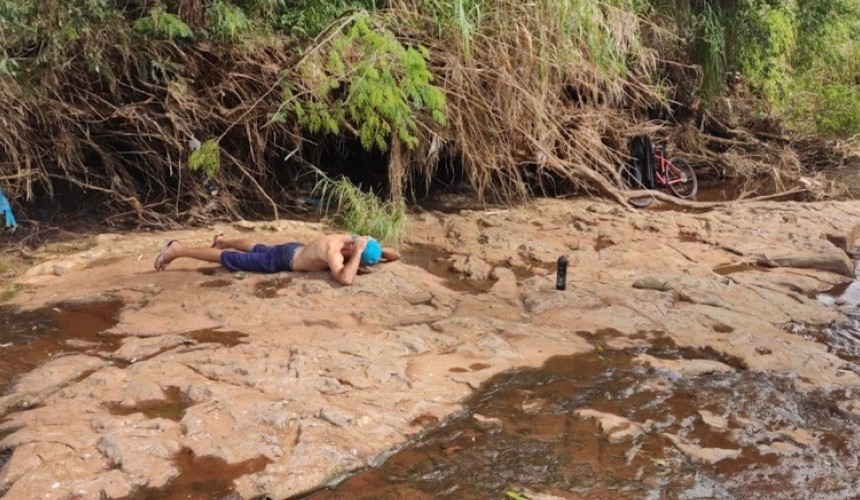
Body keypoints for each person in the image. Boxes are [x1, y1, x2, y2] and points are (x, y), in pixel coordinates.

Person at [153, 233, 400, 286]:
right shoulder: (334, 251)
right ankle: (178, 250)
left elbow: (394, 254)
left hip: (292, 249)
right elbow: (345, 279)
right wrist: (358, 255)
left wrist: (369, 247)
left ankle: (224, 238)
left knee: (260, 248)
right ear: (350, 252)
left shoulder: (352, 239)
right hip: (282, 262)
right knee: (230, 260)